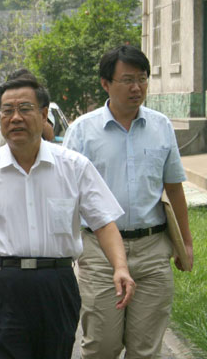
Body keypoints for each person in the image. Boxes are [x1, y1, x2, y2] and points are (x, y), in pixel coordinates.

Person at [0, 77, 136, 359]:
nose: (15, 118)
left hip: (56, 284)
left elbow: (103, 223)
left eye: (25, 109)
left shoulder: (74, 166)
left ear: (43, 114)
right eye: (7, 110)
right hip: (2, 284)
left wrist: (120, 267)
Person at [63, 45, 194, 359]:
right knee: (101, 345)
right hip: (99, 253)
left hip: (152, 250)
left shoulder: (161, 126)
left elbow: (174, 188)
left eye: (142, 79)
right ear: (106, 83)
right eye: (127, 80)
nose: (137, 87)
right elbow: (65, 194)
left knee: (146, 349)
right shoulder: (82, 131)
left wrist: (186, 244)